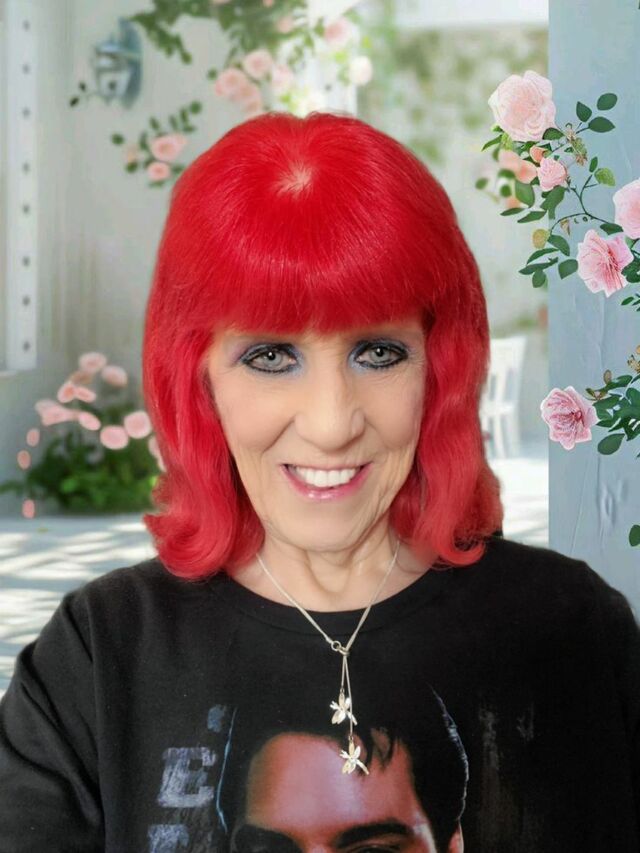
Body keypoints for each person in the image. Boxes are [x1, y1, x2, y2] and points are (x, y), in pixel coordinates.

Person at [1, 110, 639, 853]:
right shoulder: (97, 657)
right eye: (271, 356)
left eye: (378, 352)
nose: (332, 424)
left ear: (438, 369)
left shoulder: (572, 633)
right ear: (199, 379)